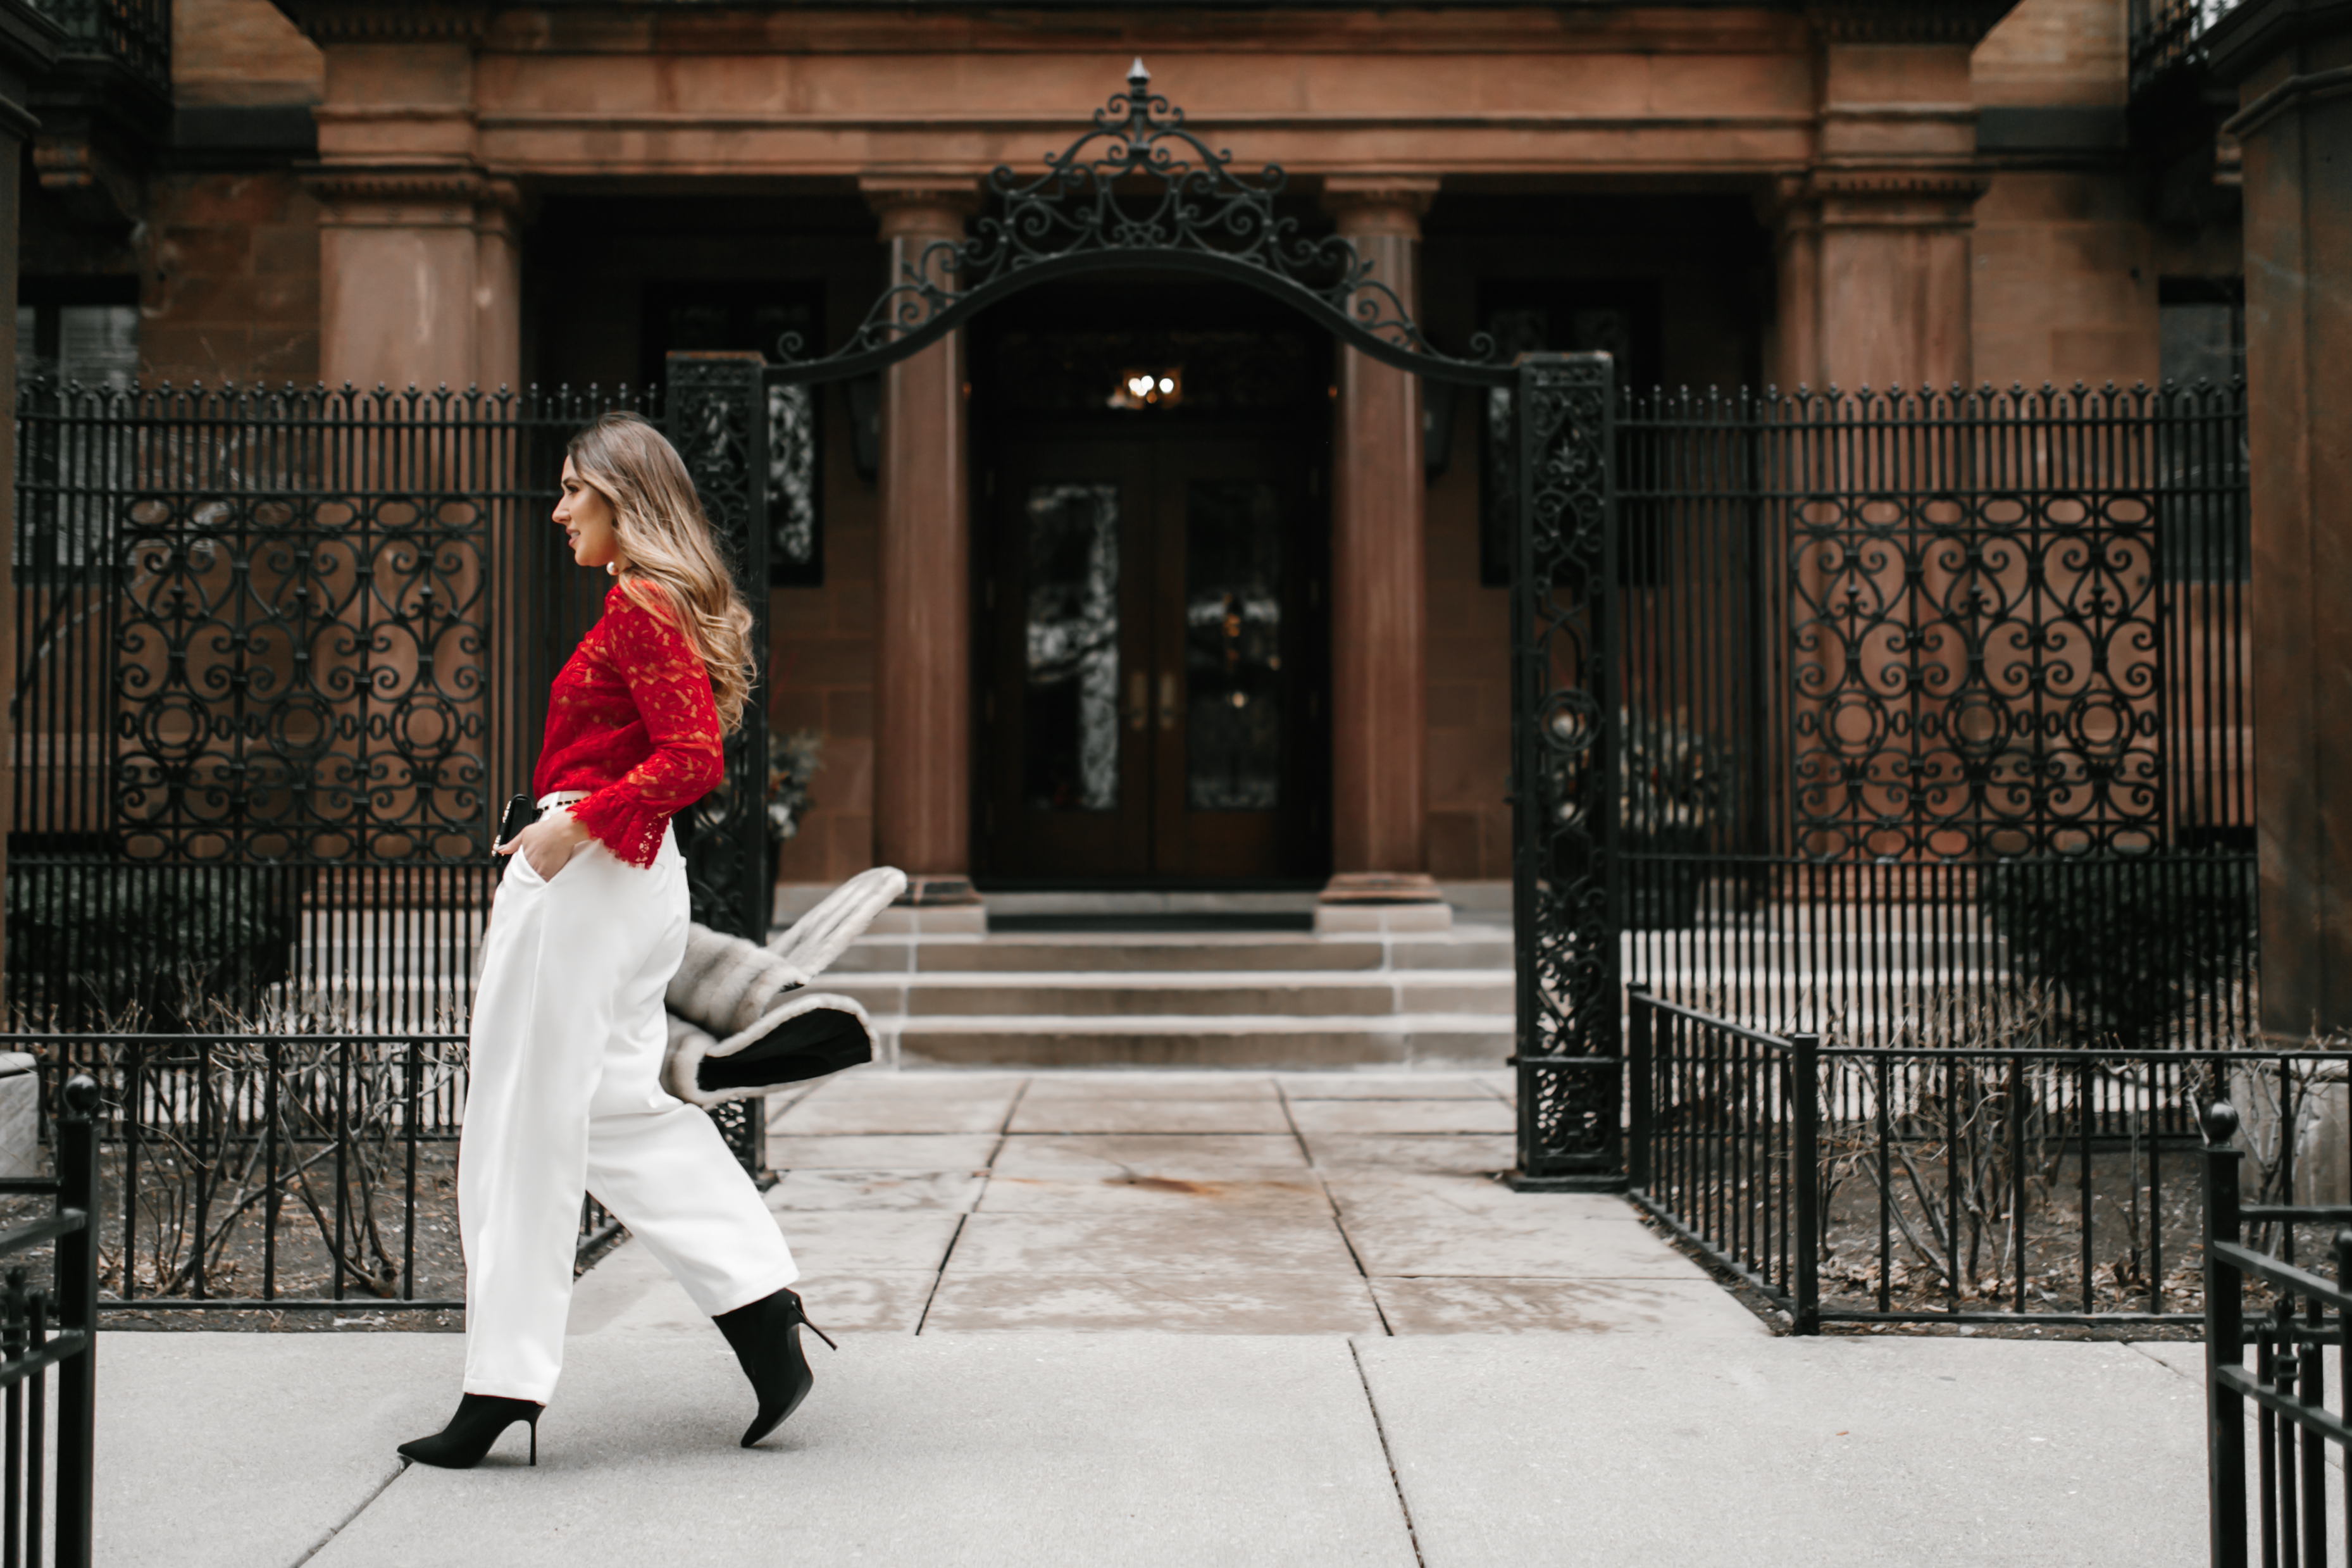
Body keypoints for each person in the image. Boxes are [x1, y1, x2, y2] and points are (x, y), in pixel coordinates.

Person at [399, 412, 830, 1470]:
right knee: (614, 1110)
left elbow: (691, 759)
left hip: (592, 882)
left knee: (517, 1122)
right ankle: (762, 1312)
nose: (556, 512)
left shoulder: (640, 601)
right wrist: (561, 821)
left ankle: (502, 1384)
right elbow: (670, 755)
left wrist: (569, 823)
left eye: (571, 492)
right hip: (620, 878)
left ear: (623, 498)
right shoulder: (652, 601)